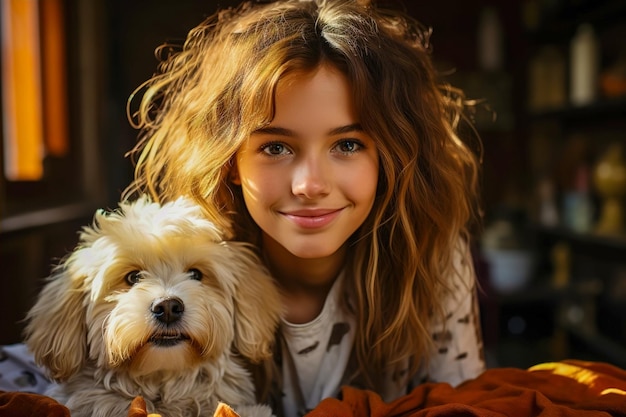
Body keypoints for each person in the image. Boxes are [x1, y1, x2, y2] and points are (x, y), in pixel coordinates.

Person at [1, 0, 484, 416]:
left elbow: (472, 401)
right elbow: (48, 358)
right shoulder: (194, 238)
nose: (311, 184)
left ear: (391, 155)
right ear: (230, 159)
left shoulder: (430, 254)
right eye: (276, 147)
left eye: (348, 145)